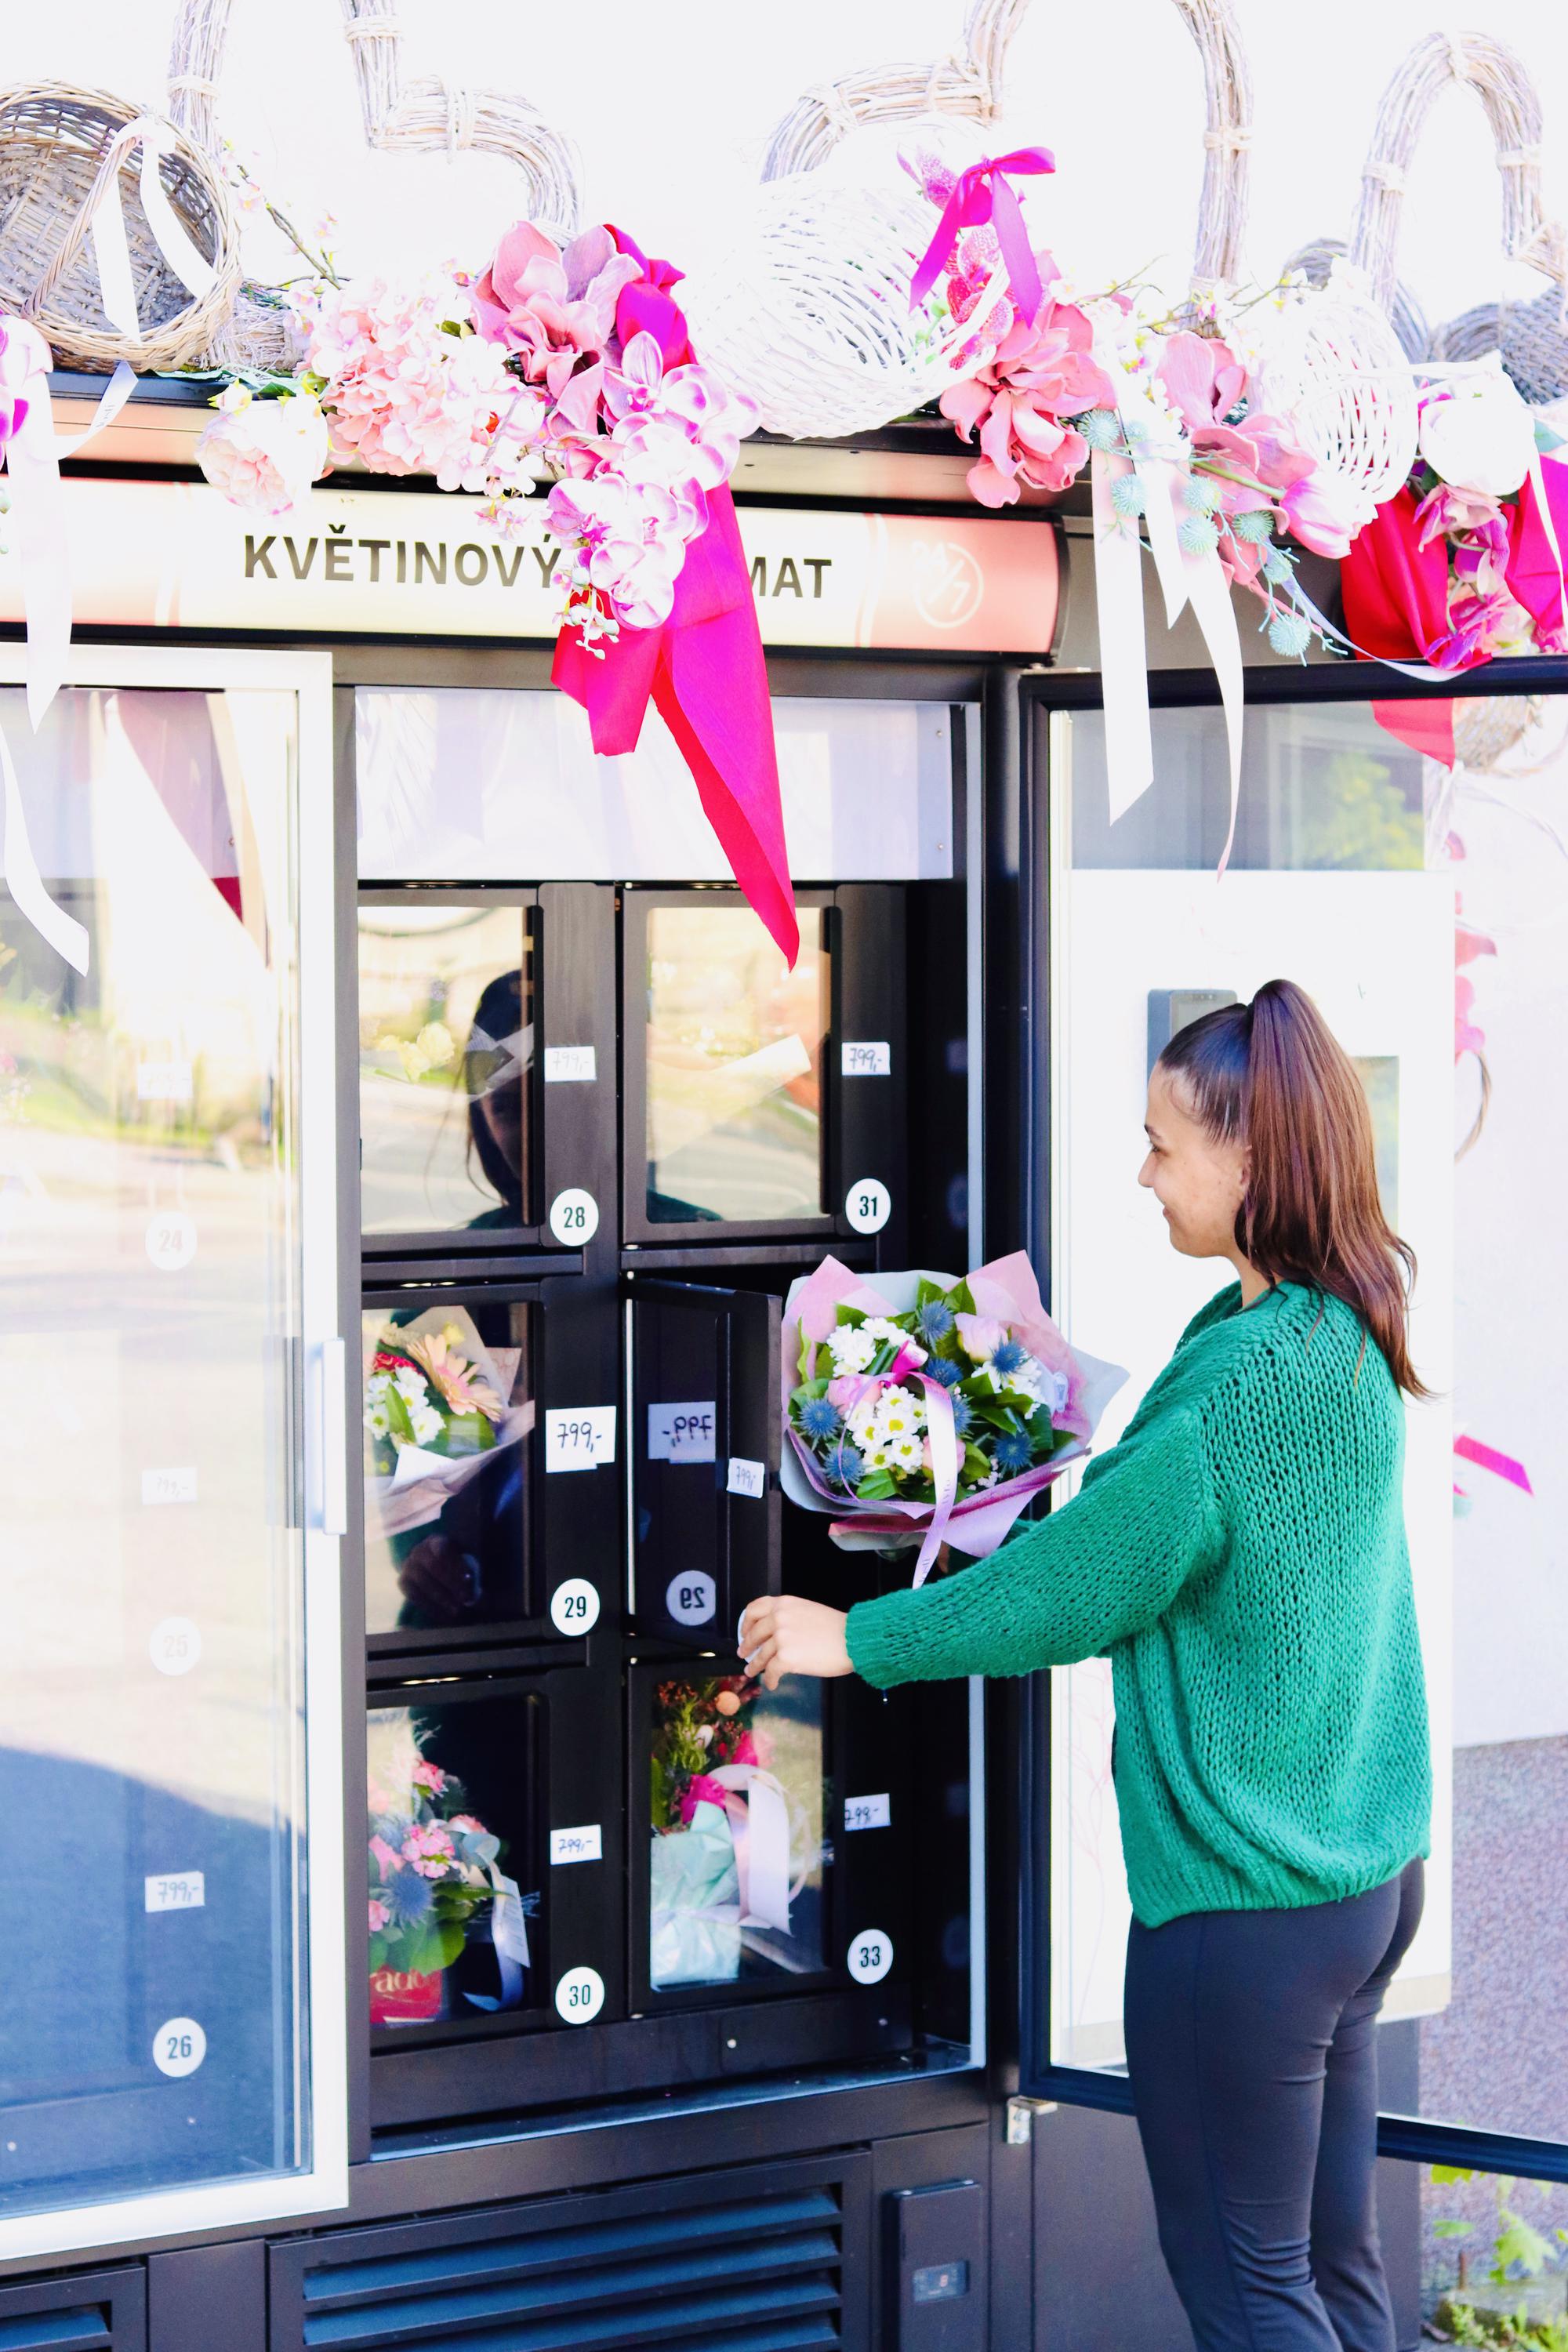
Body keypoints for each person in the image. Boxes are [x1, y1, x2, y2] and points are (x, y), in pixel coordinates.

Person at [739, 978, 1432, 2352]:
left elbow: (1077, 1590)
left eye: (1167, 1145)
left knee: (1247, 2292)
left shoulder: (1233, 1388)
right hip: (1361, 1883)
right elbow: (1145, 1546)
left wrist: (854, 1637)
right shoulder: (1339, 1325)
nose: (1144, 1171)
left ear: (1253, 1161)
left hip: (1244, 1917)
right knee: (1333, 2276)